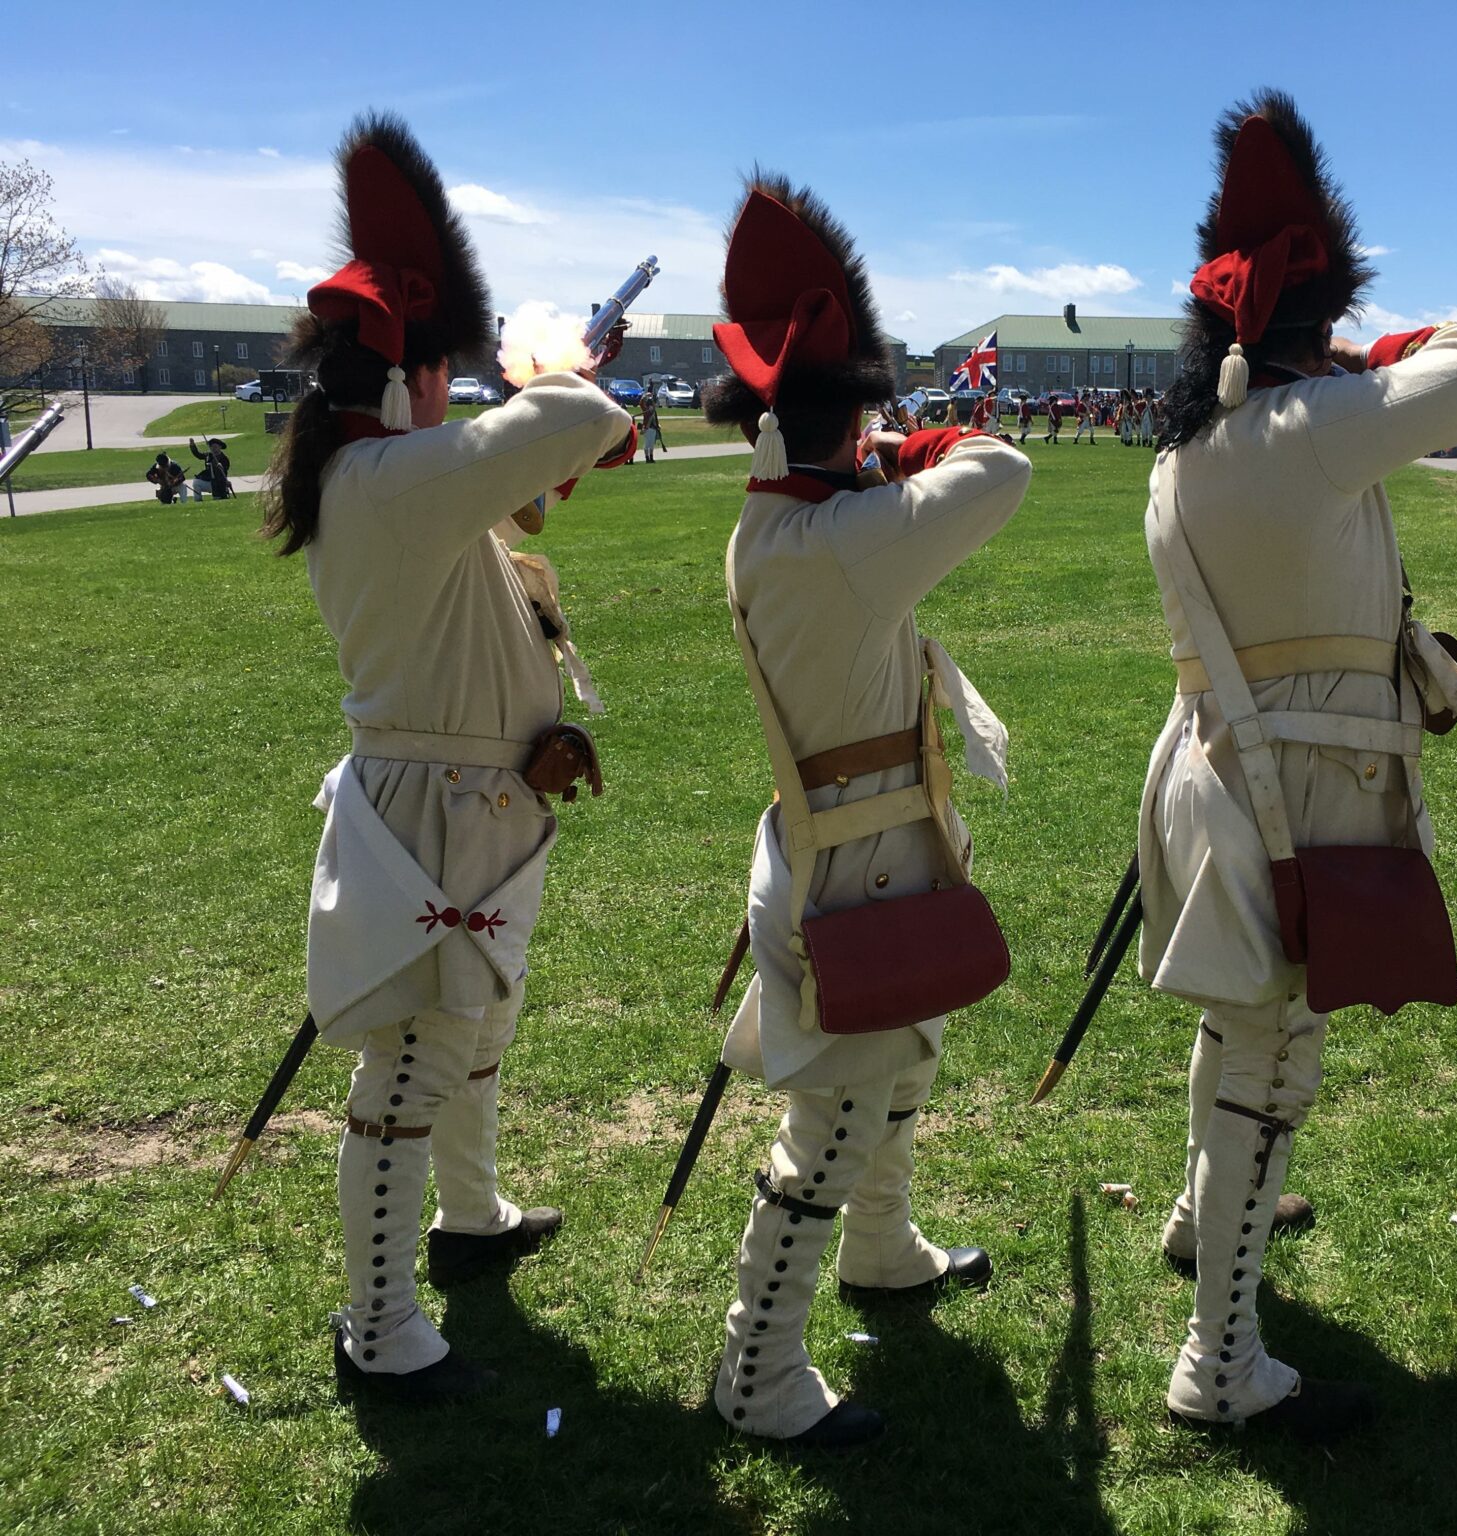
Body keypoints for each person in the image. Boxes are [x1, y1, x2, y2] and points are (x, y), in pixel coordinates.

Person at [1137, 91, 1457, 1440]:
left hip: (1222, 768)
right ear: (1323, 323)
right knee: (1273, 1059)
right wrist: (1390, 348)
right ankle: (1221, 1368)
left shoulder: (1190, 446)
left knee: (1241, 1030)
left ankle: (1205, 1220)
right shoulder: (1309, 427)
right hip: (1293, 788)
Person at [259, 114, 635, 1404]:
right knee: (413, 1064)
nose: (450, 393)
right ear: (406, 376)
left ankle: (468, 1218)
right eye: (440, 373)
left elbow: (530, 479)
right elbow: (570, 420)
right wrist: (552, 371)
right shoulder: (388, 480)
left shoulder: (381, 477)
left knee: (471, 1033)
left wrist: (534, 395)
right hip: (436, 808)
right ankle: (381, 1329)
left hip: (473, 795)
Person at [702, 176, 1033, 1449]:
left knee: (900, 1067)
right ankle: (758, 1373)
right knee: (832, 1120)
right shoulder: (838, 533)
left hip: (861, 834)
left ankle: (884, 1253)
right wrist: (914, 450)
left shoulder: (796, 519)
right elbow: (997, 472)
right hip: (856, 854)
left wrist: (870, 459)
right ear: (853, 417)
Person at [640, 390, 663, 462]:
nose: (651, 406)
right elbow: (641, 403)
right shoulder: (646, 410)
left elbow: (655, 419)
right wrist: (644, 396)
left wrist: (658, 425)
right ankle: (647, 458)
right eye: (650, 405)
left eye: (652, 405)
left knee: (652, 444)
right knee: (647, 444)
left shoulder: (653, 412)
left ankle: (651, 457)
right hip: (647, 428)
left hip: (653, 428)